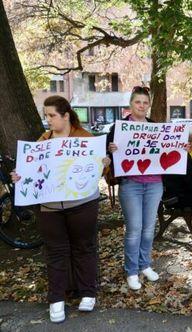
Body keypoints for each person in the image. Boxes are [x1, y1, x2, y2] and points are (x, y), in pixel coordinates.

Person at [11, 96, 110, 323]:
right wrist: (19, 175)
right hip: (50, 208)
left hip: (83, 204)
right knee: (55, 251)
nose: (48, 120)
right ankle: (56, 298)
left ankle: (87, 292)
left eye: (52, 115)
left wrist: (105, 164)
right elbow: (31, 170)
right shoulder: (42, 141)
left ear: (65, 115)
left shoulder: (85, 138)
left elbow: (99, 170)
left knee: (84, 247)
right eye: (46, 115)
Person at [107, 86, 164, 290]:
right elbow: (108, 155)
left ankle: (145, 264)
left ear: (148, 106)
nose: (141, 105)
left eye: (145, 102)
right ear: (131, 104)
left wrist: (181, 148)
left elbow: (165, 149)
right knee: (134, 229)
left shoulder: (155, 126)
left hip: (154, 183)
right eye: (137, 102)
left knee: (149, 229)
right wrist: (111, 149)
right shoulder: (119, 127)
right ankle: (131, 270)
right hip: (131, 184)